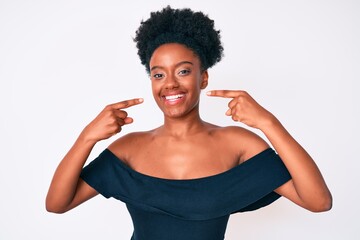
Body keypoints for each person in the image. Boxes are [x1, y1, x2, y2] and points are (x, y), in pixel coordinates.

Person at [46, 6, 332, 240]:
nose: (170, 84)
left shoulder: (238, 144)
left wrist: (270, 124)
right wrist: (87, 138)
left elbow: (318, 202)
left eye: (183, 71)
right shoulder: (129, 148)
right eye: (158, 75)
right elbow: (57, 204)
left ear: (203, 78)